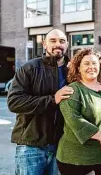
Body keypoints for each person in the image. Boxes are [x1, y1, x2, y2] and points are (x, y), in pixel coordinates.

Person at [7, 29, 73, 175]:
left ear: (67, 44)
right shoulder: (30, 68)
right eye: (53, 41)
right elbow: (14, 102)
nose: (58, 44)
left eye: (62, 41)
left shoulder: (73, 71)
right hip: (31, 147)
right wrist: (52, 100)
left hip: (61, 147)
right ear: (44, 44)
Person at [56, 49, 101, 175]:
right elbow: (74, 120)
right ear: (78, 68)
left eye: (94, 63)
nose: (91, 67)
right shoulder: (72, 90)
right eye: (86, 64)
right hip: (77, 158)